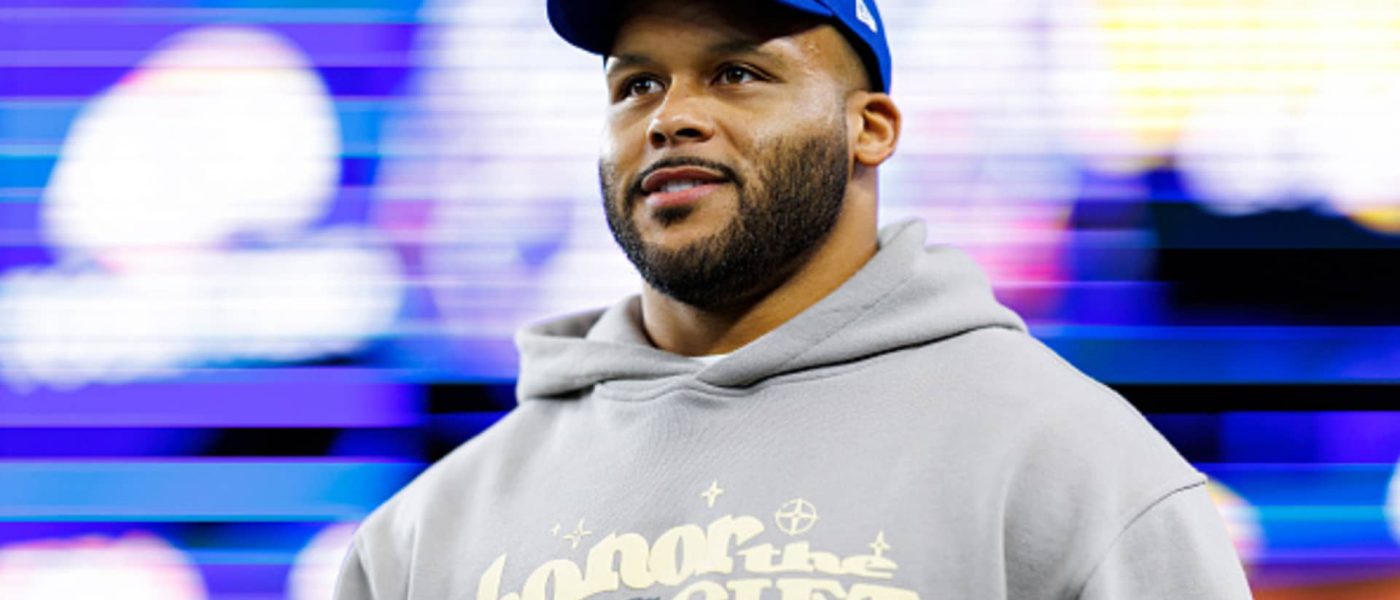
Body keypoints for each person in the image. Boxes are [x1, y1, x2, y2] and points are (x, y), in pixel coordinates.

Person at [335, 0, 1254, 598]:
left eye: (737, 73)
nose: (671, 116)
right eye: (638, 84)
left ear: (870, 128)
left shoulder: (1070, 466)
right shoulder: (425, 532)